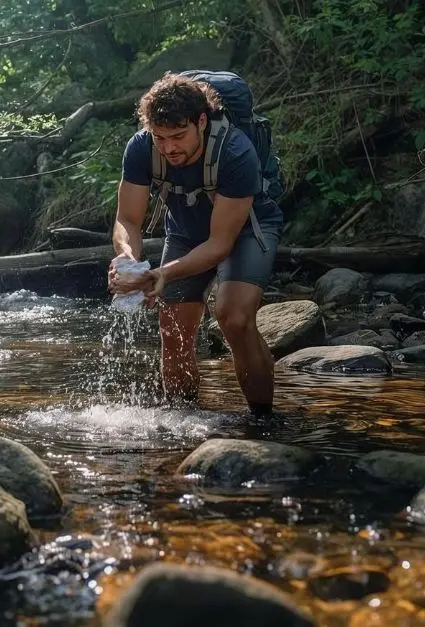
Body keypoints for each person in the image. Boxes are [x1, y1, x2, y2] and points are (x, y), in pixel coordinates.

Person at [108, 73, 285, 417]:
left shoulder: (235, 151)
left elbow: (220, 244)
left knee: (233, 317)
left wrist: (162, 273)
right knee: (172, 327)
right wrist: (127, 258)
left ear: (201, 121)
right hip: (185, 230)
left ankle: (264, 424)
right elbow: (128, 220)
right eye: (161, 138)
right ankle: (180, 421)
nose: (169, 147)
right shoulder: (142, 147)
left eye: (178, 136)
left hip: (248, 229)